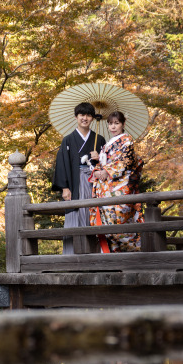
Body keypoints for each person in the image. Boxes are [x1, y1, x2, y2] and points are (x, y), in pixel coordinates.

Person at [52, 102, 106, 255]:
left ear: (92, 118)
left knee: (95, 214)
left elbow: (108, 165)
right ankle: (73, 255)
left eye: (88, 115)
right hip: (75, 183)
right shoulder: (68, 140)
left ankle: (96, 254)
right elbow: (62, 164)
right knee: (75, 215)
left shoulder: (99, 139)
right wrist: (65, 188)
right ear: (76, 117)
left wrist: (100, 158)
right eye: (82, 115)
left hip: (95, 183)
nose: (85, 118)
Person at [88, 111, 144, 252]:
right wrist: (97, 168)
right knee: (107, 225)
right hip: (105, 189)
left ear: (123, 124)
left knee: (121, 222)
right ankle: (112, 256)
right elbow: (103, 163)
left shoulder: (127, 141)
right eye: (110, 124)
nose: (113, 127)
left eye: (116, 123)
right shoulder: (108, 144)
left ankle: (132, 256)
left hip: (120, 187)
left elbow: (126, 162)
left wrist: (106, 171)